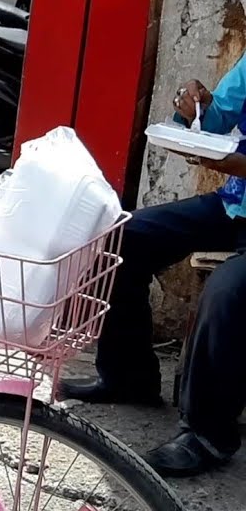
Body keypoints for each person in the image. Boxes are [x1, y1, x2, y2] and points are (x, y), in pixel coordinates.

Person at [59, 63, 246, 477]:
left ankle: (207, 434)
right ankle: (129, 378)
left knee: (229, 289)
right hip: (236, 205)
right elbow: (216, 119)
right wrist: (194, 106)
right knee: (123, 237)